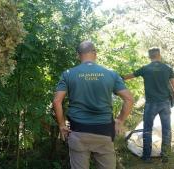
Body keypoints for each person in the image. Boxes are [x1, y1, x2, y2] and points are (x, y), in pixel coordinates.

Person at [53, 41, 134, 169]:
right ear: (95, 53)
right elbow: (129, 99)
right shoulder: (111, 74)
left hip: (78, 131)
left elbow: (57, 101)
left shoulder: (68, 74)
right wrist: (119, 121)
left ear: (78, 55)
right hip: (104, 131)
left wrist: (62, 125)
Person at [123, 48, 174, 163]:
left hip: (151, 104)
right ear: (159, 55)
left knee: (147, 129)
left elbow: (129, 76)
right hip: (165, 103)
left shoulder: (145, 69)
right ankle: (166, 156)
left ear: (149, 56)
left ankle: (146, 156)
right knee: (166, 130)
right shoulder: (167, 68)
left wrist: (117, 77)